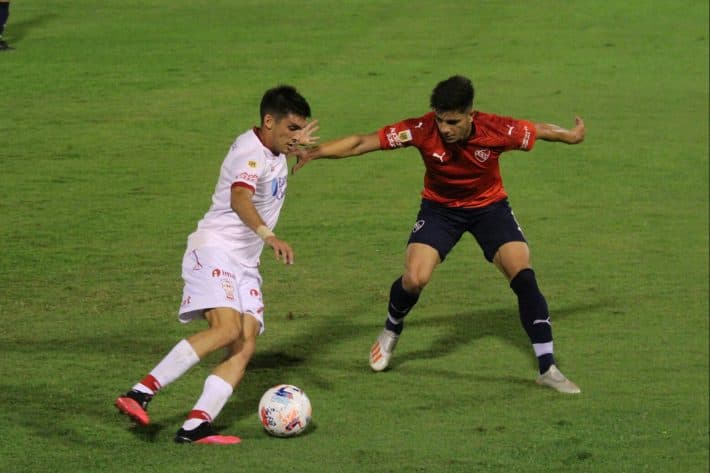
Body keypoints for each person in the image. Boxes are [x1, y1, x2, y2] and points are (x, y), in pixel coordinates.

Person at [293, 75, 585, 394]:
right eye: (440, 119)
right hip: (440, 210)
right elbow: (363, 142)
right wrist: (316, 152)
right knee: (415, 278)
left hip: (490, 208)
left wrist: (569, 136)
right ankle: (391, 329)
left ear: (470, 116)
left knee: (524, 277)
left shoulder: (497, 129)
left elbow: (539, 129)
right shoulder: (421, 129)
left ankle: (547, 367)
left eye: (453, 122)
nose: (444, 128)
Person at [115, 85, 319, 444]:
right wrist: (268, 236)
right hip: (214, 250)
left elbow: (289, 152)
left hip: (244, 262)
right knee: (226, 330)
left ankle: (196, 425)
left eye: (300, 130)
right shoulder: (249, 152)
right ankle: (139, 393)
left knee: (245, 342)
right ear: (268, 121)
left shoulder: (275, 147)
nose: (296, 137)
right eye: (292, 129)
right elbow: (240, 197)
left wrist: (301, 145)